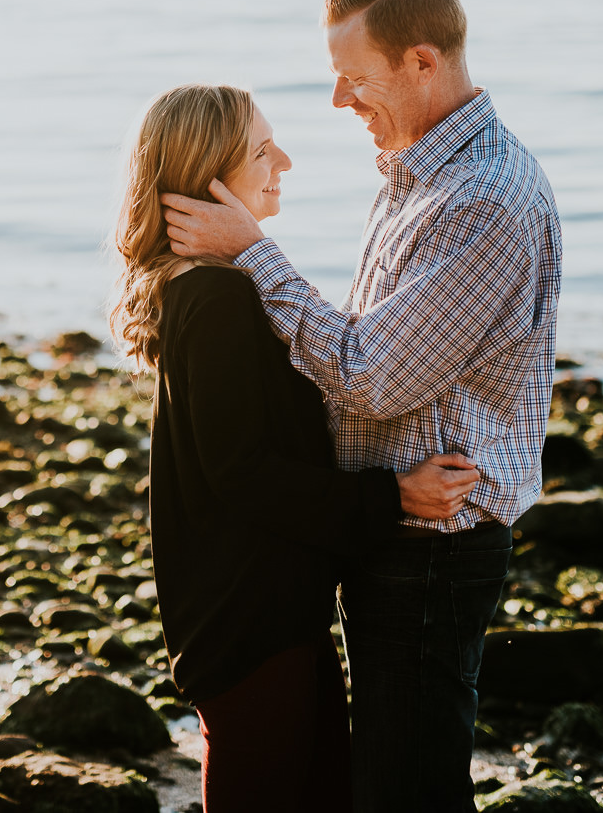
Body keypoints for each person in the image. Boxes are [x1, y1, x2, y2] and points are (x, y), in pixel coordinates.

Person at [162, 0, 562, 813]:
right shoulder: (417, 176)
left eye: (355, 77)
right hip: (392, 530)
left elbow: (371, 376)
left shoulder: (482, 199)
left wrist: (251, 252)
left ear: (422, 61)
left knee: (405, 792)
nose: (341, 100)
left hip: (433, 546)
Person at [109, 83, 483, 813]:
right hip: (250, 621)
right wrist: (395, 494)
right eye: (260, 149)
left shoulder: (212, 289)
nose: (284, 159)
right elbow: (243, 472)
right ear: (208, 177)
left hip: (261, 610)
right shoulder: (215, 301)